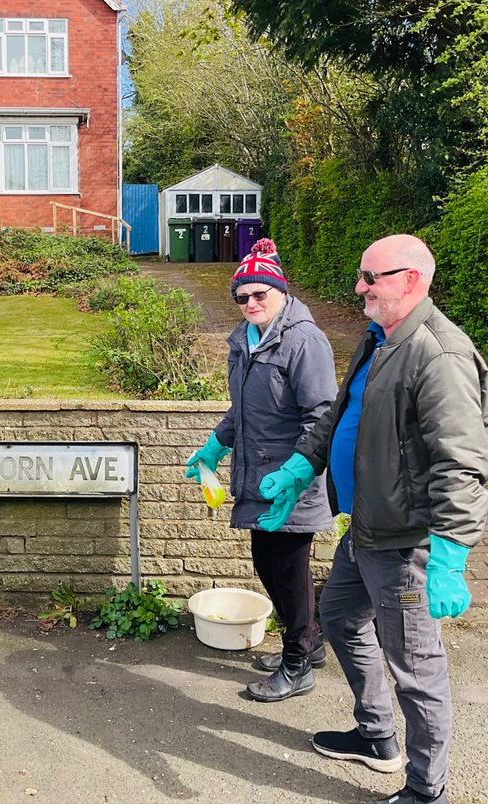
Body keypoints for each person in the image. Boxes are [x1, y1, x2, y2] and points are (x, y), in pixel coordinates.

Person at [257, 234, 488, 803]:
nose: (359, 287)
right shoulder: (378, 339)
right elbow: (340, 416)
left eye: (370, 277)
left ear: (410, 281)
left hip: (404, 543)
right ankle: (376, 734)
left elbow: (461, 463)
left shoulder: (440, 355)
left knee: (417, 669)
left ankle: (426, 788)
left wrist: (451, 554)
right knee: (337, 616)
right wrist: (298, 468)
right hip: (364, 528)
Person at [184, 238, 338, 702]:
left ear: (280, 292)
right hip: (256, 476)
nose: (250, 303)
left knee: (287, 571)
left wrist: (297, 471)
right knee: (268, 566)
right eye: (242, 296)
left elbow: (322, 415)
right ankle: (307, 645)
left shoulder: (304, 341)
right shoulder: (244, 342)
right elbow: (242, 411)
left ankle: (297, 665)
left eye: (259, 294)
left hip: (294, 479)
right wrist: (216, 443)